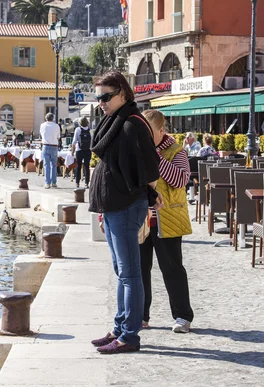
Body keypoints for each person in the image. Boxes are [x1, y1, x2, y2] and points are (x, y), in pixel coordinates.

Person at [89, 70, 162, 354]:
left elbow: (150, 168)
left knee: (130, 274)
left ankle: (130, 336)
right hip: (112, 206)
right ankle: (120, 328)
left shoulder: (132, 124)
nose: (101, 103)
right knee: (122, 272)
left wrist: (149, 195)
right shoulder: (113, 122)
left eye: (106, 97)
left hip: (126, 206)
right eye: (99, 98)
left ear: (122, 93)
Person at [140, 109, 194, 333]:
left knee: (172, 269)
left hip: (168, 218)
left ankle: (183, 316)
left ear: (162, 130)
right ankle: (141, 316)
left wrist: (157, 159)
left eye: (148, 132)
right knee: (140, 269)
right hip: (142, 219)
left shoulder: (176, 151)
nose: (144, 136)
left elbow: (181, 180)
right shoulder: (138, 150)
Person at [39, 113, 61, 189]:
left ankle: (47, 183)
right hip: (54, 146)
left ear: (46, 118)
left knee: (46, 165)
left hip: (45, 145)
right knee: (54, 165)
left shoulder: (42, 125)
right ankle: (54, 182)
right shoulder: (56, 126)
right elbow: (58, 137)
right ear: (53, 118)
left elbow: (42, 135)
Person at [71, 117, 92, 188]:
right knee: (86, 166)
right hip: (88, 150)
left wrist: (72, 151)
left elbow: (74, 142)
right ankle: (86, 183)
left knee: (78, 166)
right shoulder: (90, 130)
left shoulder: (78, 130)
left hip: (79, 150)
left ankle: (77, 183)